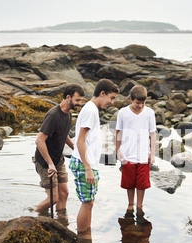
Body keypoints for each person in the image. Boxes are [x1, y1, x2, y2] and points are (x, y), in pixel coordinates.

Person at [70, 79, 119, 234]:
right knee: (87, 203)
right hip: (85, 164)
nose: (112, 102)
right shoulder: (90, 111)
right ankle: (83, 238)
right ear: (102, 93)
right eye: (111, 98)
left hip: (87, 163)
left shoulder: (91, 109)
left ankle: (86, 234)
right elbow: (80, 141)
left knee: (89, 202)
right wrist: (88, 168)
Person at [34, 84, 85, 218]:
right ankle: (31, 218)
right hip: (45, 162)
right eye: (77, 100)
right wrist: (50, 164)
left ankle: (61, 221)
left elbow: (63, 133)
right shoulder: (53, 115)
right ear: (68, 97)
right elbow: (39, 140)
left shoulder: (68, 113)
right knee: (53, 199)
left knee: (64, 193)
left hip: (58, 159)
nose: (79, 104)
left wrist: (73, 146)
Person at [116, 85, 156, 216]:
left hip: (144, 153)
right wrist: (118, 150)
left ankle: (140, 205)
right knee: (129, 183)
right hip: (128, 153)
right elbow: (118, 131)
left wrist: (152, 153)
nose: (140, 105)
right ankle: (130, 204)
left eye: (143, 103)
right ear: (131, 99)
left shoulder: (149, 113)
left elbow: (152, 133)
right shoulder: (123, 112)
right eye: (137, 102)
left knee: (142, 183)